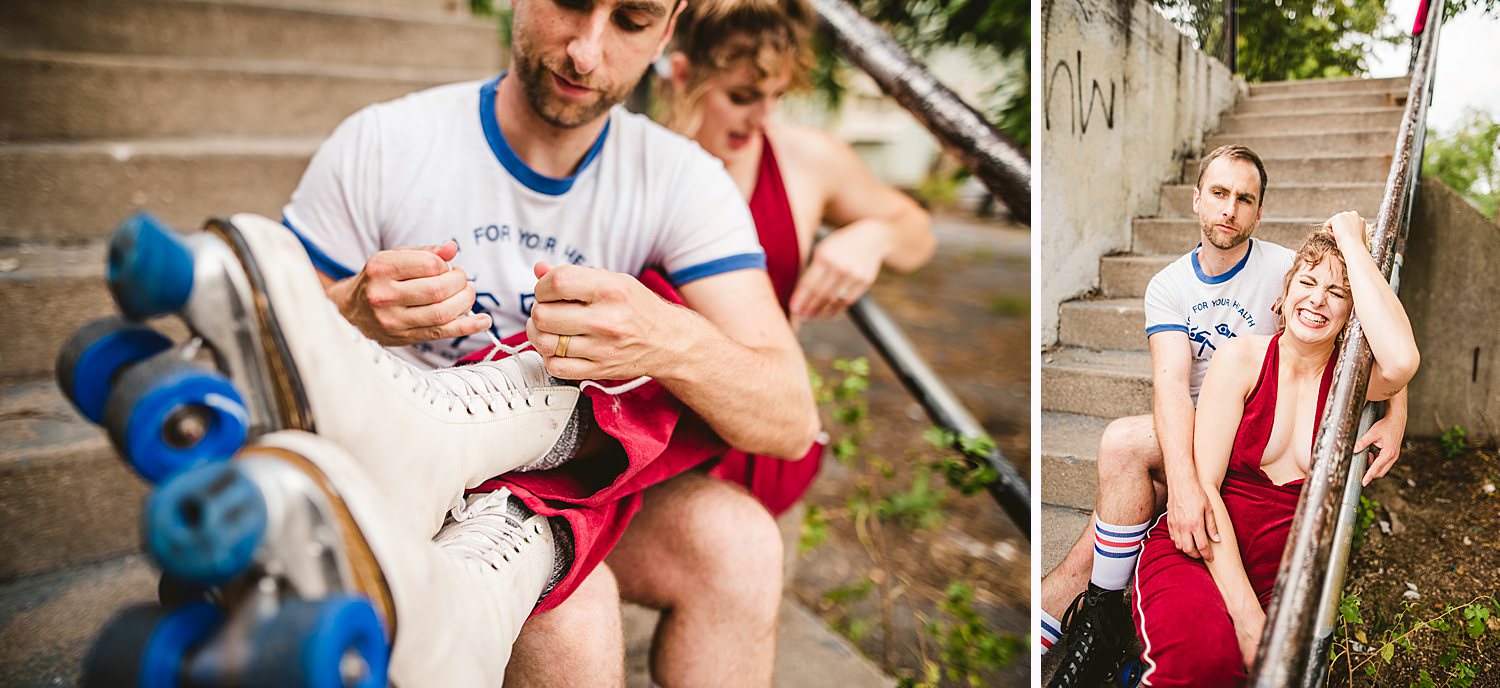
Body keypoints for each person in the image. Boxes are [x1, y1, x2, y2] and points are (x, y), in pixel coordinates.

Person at [276, 0, 821, 683]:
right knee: (569, 611)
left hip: (578, 485)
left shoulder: (682, 179)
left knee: (739, 543)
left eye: (631, 19)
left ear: (669, 28)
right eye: (569, 2)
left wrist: (665, 337)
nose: (586, 53)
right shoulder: (386, 143)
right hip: (407, 489)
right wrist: (349, 308)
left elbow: (790, 419)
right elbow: (260, 366)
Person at [505, 2, 935, 684]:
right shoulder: (637, 166)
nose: (760, 118)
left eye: (772, 98)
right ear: (679, 74)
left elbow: (916, 227)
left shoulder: (802, 160)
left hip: (755, 437)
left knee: (743, 581)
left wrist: (874, 235)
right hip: (649, 440)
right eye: (740, 97)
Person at [1041, 145, 1410, 687]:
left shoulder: (1296, 269)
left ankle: (1086, 617)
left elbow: (1376, 332)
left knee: (1110, 539)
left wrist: (1395, 406)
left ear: (1259, 212)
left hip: (1260, 416)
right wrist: (1188, 487)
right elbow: (1168, 386)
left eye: (1244, 199)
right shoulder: (1169, 286)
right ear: (1196, 200)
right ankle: (1100, 614)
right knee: (1122, 444)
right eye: (1218, 194)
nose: (1229, 209)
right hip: (1200, 420)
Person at [1132, 215, 1419, 686]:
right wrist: (1248, 619)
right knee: (1202, 665)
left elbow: (1402, 360)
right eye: (1307, 283)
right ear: (1283, 298)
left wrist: (1351, 240)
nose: (1318, 300)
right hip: (1202, 544)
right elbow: (1204, 487)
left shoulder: (1348, 385)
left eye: (1338, 292)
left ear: (1353, 313)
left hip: (1282, 566)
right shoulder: (1243, 358)